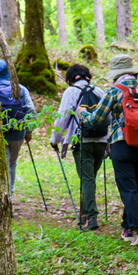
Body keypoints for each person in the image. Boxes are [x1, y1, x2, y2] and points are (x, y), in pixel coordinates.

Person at [77, 54, 138, 246]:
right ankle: (127, 228)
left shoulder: (113, 91)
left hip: (122, 144)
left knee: (127, 188)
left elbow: (96, 118)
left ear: (115, 74)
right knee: (136, 187)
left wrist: (82, 114)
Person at [49, 64, 108, 232]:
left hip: (82, 141)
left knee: (87, 178)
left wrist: (55, 139)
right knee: (89, 178)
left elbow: (63, 116)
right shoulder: (99, 91)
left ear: (71, 78)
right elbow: (108, 116)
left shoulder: (71, 92)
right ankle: (84, 214)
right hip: (101, 140)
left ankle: (91, 217)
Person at [0, 59, 36, 197]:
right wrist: (28, 132)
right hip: (18, 133)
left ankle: (5, 197)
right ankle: (10, 196)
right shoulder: (20, 89)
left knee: (2, 165)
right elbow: (31, 111)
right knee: (11, 163)